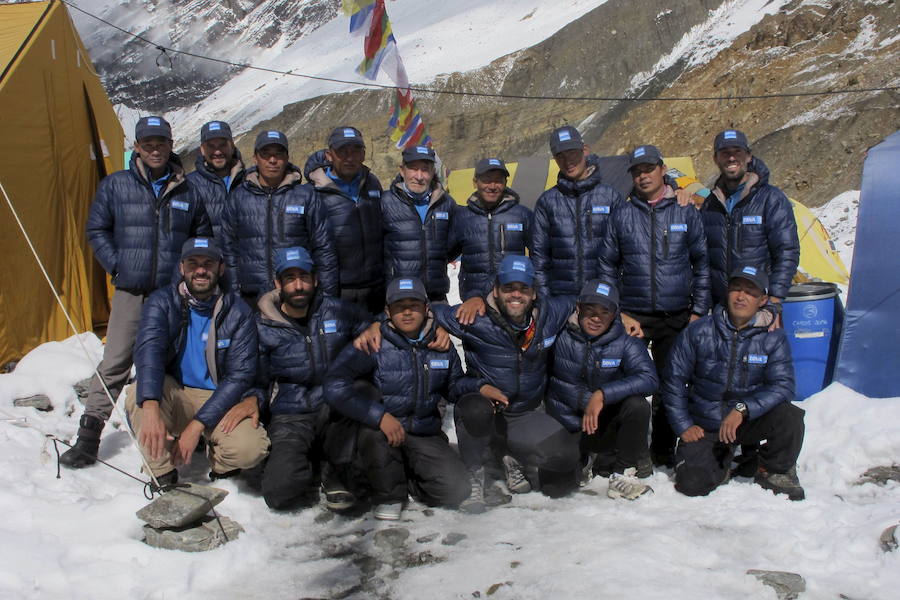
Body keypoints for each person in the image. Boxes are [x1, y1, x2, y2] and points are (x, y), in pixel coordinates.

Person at [62, 116, 211, 469]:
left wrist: (187, 275)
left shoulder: (189, 191)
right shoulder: (116, 186)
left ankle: (172, 430)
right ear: (137, 147)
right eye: (148, 143)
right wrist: (117, 266)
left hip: (172, 295)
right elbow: (97, 228)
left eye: (161, 142)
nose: (155, 149)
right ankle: (88, 435)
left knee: (168, 362)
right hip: (131, 290)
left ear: (171, 144)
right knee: (115, 361)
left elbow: (201, 237)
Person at [431, 255, 578, 512]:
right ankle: (474, 471)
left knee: (565, 458)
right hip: (485, 406)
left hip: (523, 414)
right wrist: (437, 327)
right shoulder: (474, 317)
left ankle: (508, 453)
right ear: (496, 290)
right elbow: (424, 310)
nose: (516, 295)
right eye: (508, 288)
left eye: (524, 288)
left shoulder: (549, 313)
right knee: (475, 408)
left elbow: (586, 302)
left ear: (534, 293)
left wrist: (622, 317)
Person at [598, 144, 711, 467]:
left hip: (676, 315)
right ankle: (626, 450)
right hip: (632, 315)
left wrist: (698, 311)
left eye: (648, 169)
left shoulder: (685, 211)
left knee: (671, 385)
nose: (643, 176)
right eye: (636, 171)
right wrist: (616, 311)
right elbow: (607, 265)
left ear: (663, 169)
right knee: (623, 382)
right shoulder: (622, 213)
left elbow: (702, 263)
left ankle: (662, 450)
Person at [124, 238, 269, 485]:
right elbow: (149, 354)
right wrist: (150, 407)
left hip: (219, 397)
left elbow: (240, 375)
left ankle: (222, 468)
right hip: (176, 392)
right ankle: (162, 473)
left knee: (250, 448)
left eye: (208, 264)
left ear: (220, 269)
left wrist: (196, 427)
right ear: (182, 268)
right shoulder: (161, 302)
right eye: (193, 263)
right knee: (141, 395)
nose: (201, 270)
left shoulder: (238, 311)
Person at [325, 277, 470, 520]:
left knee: (455, 490)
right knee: (373, 437)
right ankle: (389, 496)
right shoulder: (374, 341)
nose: (406, 312)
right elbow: (334, 384)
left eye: (413, 305)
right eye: (399, 306)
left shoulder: (440, 342)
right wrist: (377, 416)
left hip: (423, 431)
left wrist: (481, 388)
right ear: (387, 311)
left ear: (426, 308)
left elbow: (455, 387)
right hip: (383, 429)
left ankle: (406, 479)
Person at [662, 266, 805, 500]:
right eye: (736, 289)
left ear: (762, 300)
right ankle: (723, 460)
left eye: (750, 292)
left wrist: (743, 409)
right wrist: (683, 425)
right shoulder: (699, 331)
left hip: (746, 421)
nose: (741, 296)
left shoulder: (773, 337)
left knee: (789, 416)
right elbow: (673, 380)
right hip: (707, 424)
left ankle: (774, 469)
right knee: (691, 484)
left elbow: (783, 385)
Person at [251, 247, 374, 511]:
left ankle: (335, 469)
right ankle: (308, 461)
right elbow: (256, 378)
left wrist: (373, 328)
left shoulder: (336, 310)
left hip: (333, 407)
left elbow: (374, 326)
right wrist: (254, 407)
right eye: (290, 278)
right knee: (279, 494)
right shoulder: (263, 325)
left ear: (315, 279)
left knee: (362, 391)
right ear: (278, 284)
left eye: (304, 277)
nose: (298, 286)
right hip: (290, 414)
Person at [546, 280, 658, 499]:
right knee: (555, 489)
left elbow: (649, 379)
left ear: (615, 314)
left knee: (637, 406)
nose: (596, 318)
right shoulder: (560, 333)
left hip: (603, 424)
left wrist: (603, 394)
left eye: (604, 311)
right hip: (567, 422)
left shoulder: (626, 342)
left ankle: (623, 472)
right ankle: (584, 458)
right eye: (590, 310)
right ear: (578, 308)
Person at [222, 130, 338, 308]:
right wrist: (235, 296)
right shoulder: (238, 197)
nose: (272, 160)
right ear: (255, 158)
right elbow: (230, 251)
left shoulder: (305, 196)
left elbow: (323, 248)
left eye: (278, 154)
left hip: (296, 295)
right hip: (250, 297)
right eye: (265, 154)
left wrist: (327, 298)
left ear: (287, 157)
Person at [700, 129, 800, 311]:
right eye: (725, 153)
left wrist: (775, 299)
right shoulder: (710, 204)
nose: (731, 158)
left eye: (737, 151)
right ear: (716, 159)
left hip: (759, 306)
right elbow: (704, 259)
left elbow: (787, 251)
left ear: (748, 156)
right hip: (721, 308)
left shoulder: (770, 198)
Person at [531, 125, 622, 299]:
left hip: (601, 300)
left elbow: (624, 252)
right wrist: (545, 299)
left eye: (572, 153)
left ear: (585, 150)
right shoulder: (547, 202)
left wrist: (613, 296)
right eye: (560, 156)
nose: (568, 161)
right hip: (561, 299)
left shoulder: (610, 196)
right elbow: (539, 257)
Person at [307, 126, 385, 313]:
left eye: (356, 151)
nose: (350, 157)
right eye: (343, 151)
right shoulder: (313, 192)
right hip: (338, 291)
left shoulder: (372, 183)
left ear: (364, 154)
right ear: (329, 155)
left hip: (377, 290)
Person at [451, 157, 533, 323]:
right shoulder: (462, 218)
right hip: (473, 303)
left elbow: (540, 255)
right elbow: (443, 254)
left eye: (498, 181)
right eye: (487, 180)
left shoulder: (522, 214)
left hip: (512, 299)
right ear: (475, 182)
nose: (493, 186)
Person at [382, 145, 459, 302]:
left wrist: (436, 258)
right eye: (413, 169)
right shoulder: (384, 202)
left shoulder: (446, 203)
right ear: (402, 170)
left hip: (436, 295)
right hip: (400, 296)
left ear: (432, 173)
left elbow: (455, 243)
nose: (419, 176)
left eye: (425, 169)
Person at [186, 120, 245, 241]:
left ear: (232, 146)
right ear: (202, 149)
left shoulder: (250, 181)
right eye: (211, 146)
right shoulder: (189, 185)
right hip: (210, 258)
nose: (217, 152)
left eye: (222, 145)